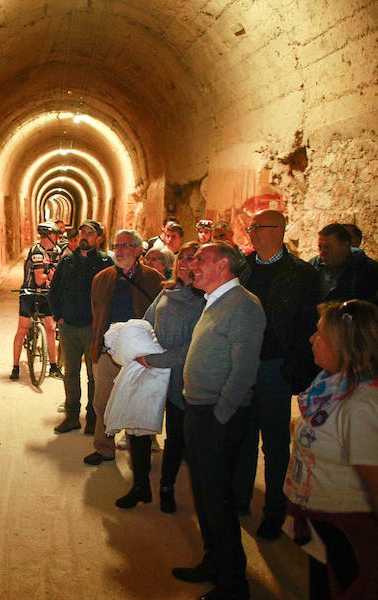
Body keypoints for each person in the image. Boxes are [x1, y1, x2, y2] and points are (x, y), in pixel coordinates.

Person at [171, 242, 266, 600]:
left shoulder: (243, 306)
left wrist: (221, 414)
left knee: (219, 499)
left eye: (200, 260)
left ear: (223, 265)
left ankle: (232, 584)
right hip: (200, 410)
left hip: (217, 415)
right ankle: (214, 561)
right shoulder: (215, 300)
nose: (192, 265)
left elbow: (244, 370)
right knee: (205, 495)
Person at [234, 209, 319, 541]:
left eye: (257, 227)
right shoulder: (243, 269)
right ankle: (240, 498)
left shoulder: (301, 274)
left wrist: (294, 369)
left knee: (275, 442)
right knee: (242, 437)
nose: (251, 232)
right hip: (244, 364)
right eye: (251, 226)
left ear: (278, 230)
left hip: (275, 367)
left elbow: (307, 325)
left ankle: (274, 510)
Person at [284, 299, 378, 599]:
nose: (312, 339)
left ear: (345, 344)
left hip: (346, 527)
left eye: (321, 334)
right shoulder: (330, 383)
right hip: (323, 521)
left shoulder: (361, 405)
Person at [117, 241, 204, 512]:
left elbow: (191, 347)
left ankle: (167, 487)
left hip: (180, 375)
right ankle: (141, 485)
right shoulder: (167, 291)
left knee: (176, 435)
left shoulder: (204, 299)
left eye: (192, 258)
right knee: (139, 429)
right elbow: (147, 321)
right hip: (152, 372)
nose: (184, 263)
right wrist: (134, 346)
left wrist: (153, 359)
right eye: (182, 258)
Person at [83, 229, 162, 465]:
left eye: (125, 245)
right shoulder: (102, 279)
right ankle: (104, 447)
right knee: (102, 401)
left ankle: (138, 451)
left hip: (139, 353)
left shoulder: (153, 279)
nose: (119, 250)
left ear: (138, 250)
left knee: (137, 402)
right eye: (116, 246)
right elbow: (96, 313)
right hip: (108, 351)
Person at [49, 220, 113, 435]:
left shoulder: (106, 262)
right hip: (69, 327)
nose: (85, 236)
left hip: (93, 329)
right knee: (71, 374)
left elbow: (112, 293)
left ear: (99, 239)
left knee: (94, 375)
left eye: (90, 233)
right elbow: (55, 290)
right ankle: (72, 416)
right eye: (83, 232)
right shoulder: (67, 261)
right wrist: (59, 317)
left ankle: (93, 417)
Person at [12, 221, 63, 380]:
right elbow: (40, 280)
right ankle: (15, 366)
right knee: (23, 328)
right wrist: (50, 273)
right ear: (50, 235)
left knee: (50, 328)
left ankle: (53, 366)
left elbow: (54, 277)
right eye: (57, 235)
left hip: (46, 294)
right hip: (30, 293)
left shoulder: (56, 250)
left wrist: (50, 275)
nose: (59, 238)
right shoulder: (37, 251)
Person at [310, 223, 378, 304]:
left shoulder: (368, 270)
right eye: (320, 247)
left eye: (327, 247)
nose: (322, 252)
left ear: (345, 246)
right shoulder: (313, 266)